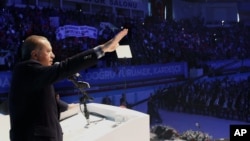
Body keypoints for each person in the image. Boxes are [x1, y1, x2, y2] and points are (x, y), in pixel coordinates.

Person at [8, 28, 128, 141]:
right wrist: (102, 49)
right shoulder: (26, 69)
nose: (53, 56)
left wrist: (68, 106)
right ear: (34, 55)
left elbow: (41, 103)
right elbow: (65, 67)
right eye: (48, 51)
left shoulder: (37, 76)